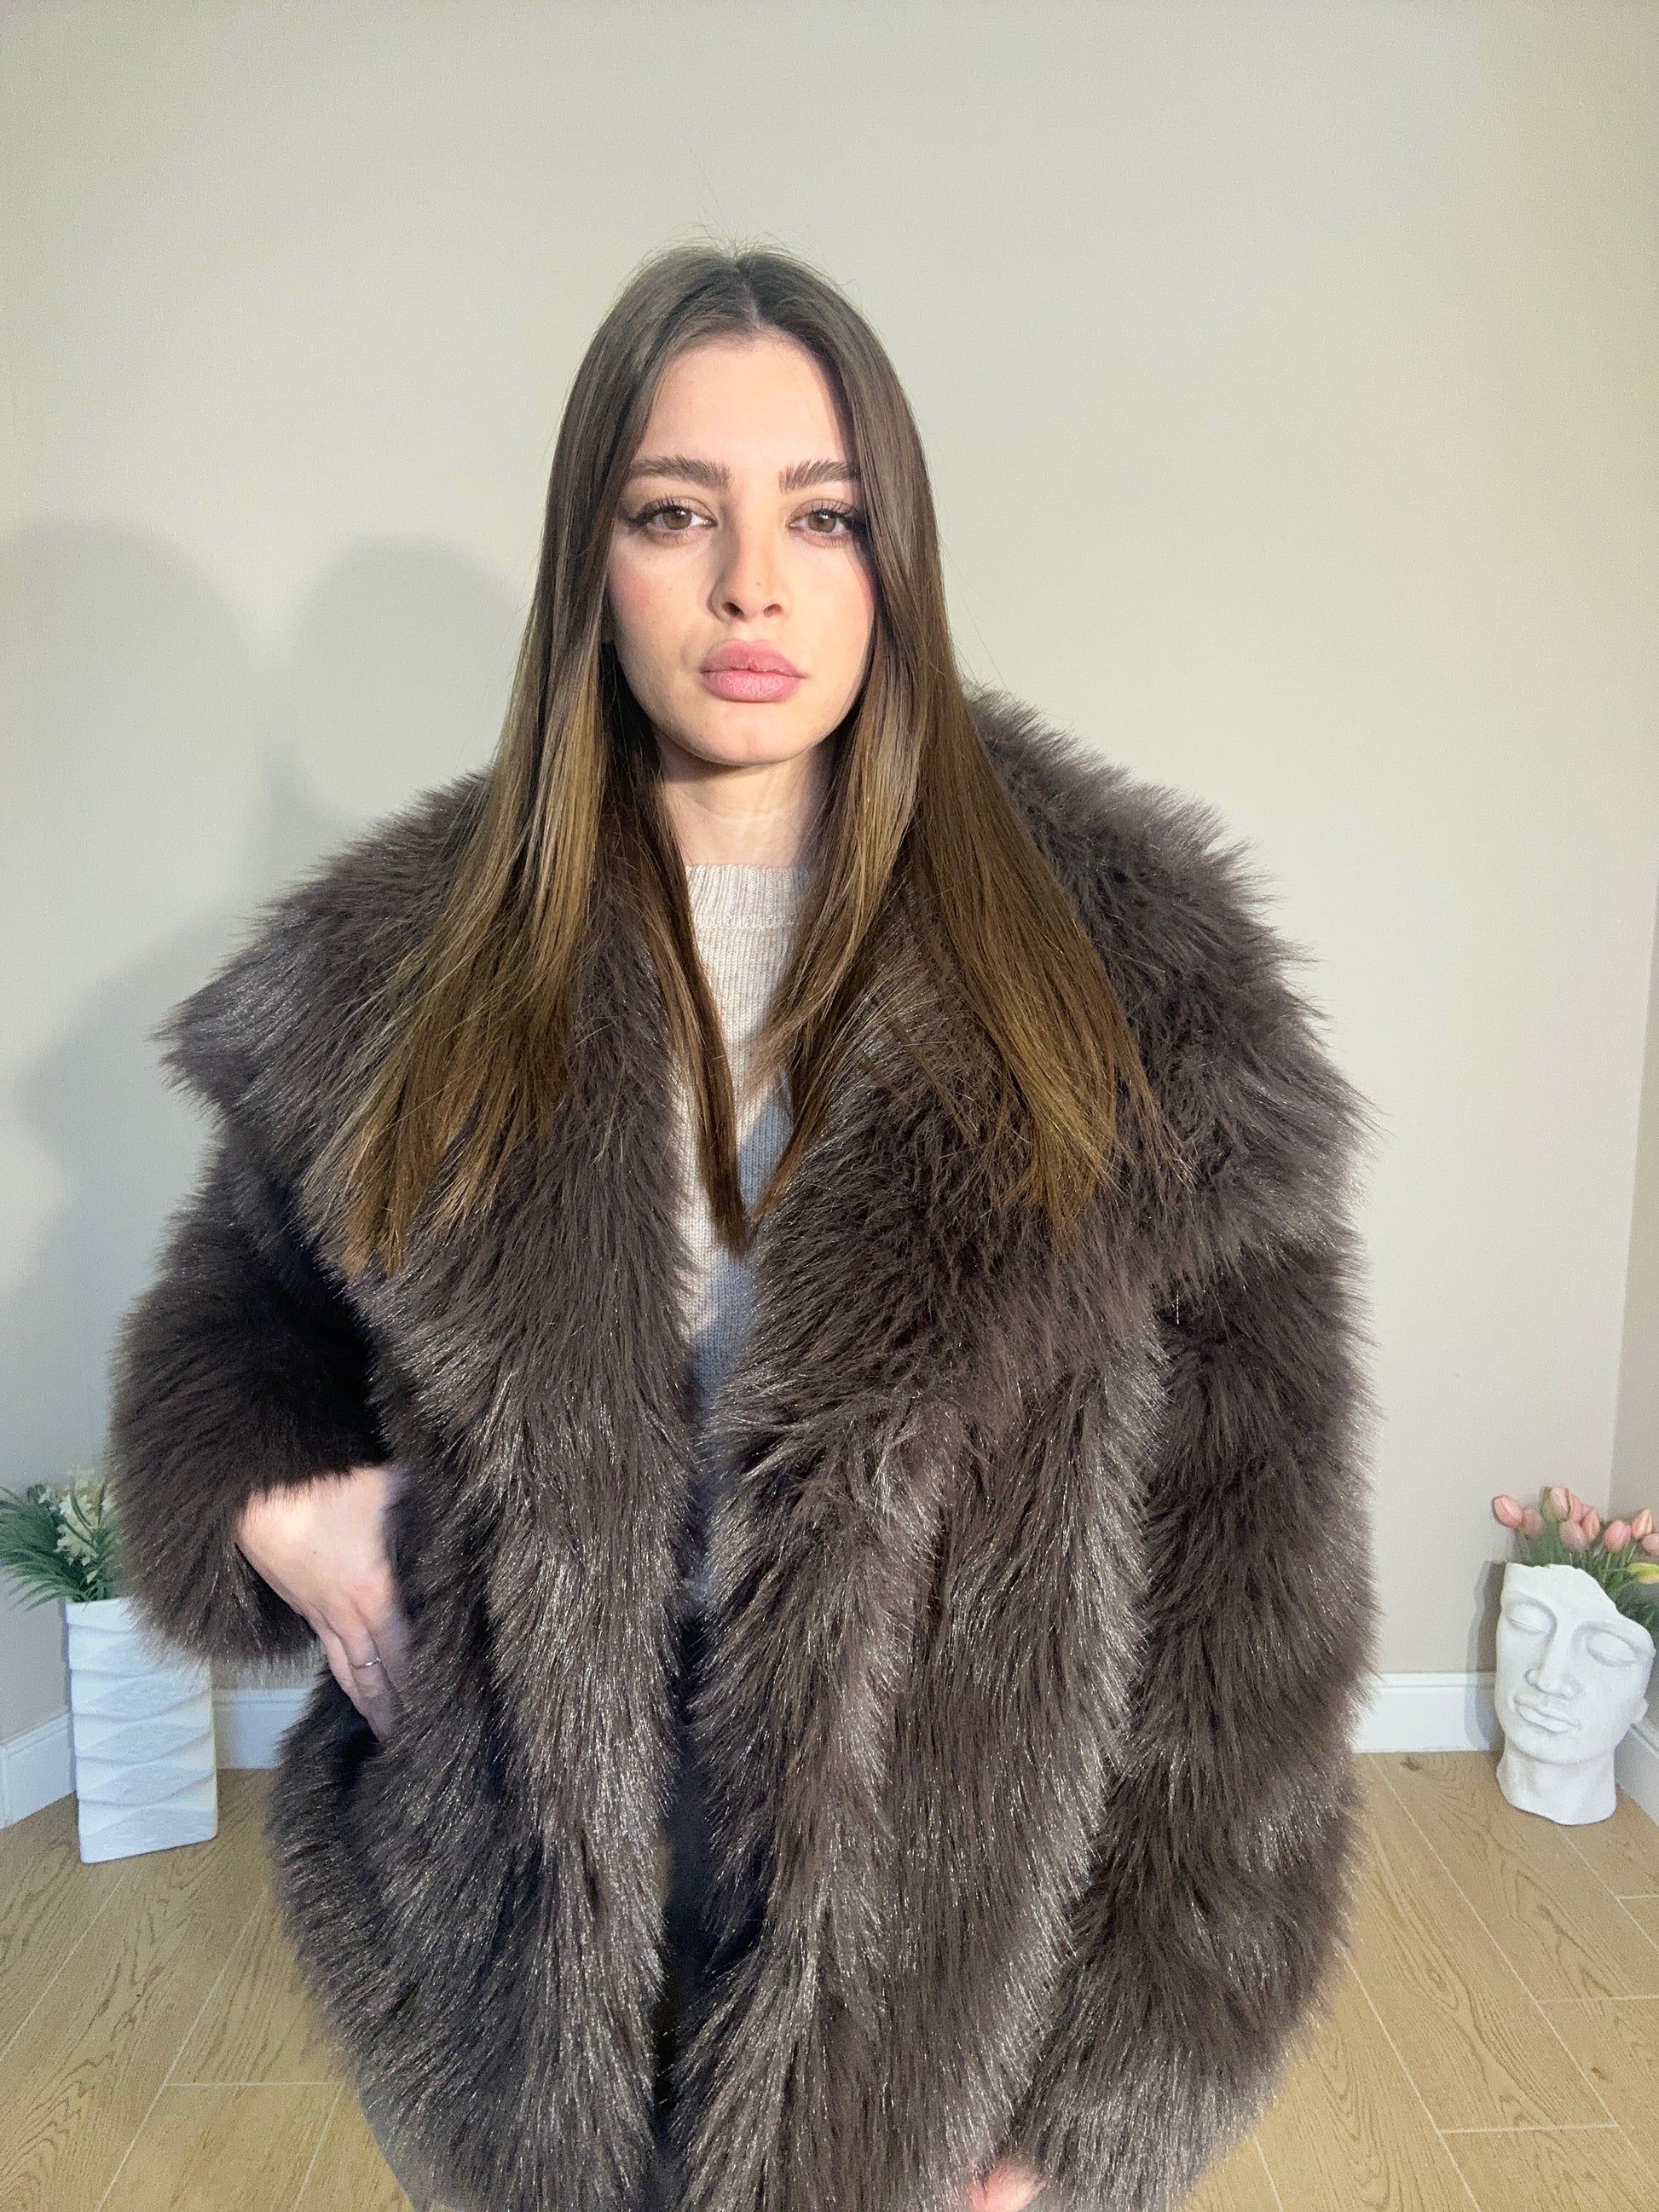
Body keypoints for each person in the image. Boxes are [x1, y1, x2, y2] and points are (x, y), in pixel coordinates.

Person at [105, 241, 1379, 2212]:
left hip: (934, 2036)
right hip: (510, 1994)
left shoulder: (1138, 992)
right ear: (590, 562)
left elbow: (1255, 1623)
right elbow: (231, 1326)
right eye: (675, 512)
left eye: (825, 515)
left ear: (898, 561)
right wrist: (277, 1498)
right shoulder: (396, 975)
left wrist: (1094, 2117)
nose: (752, 587)